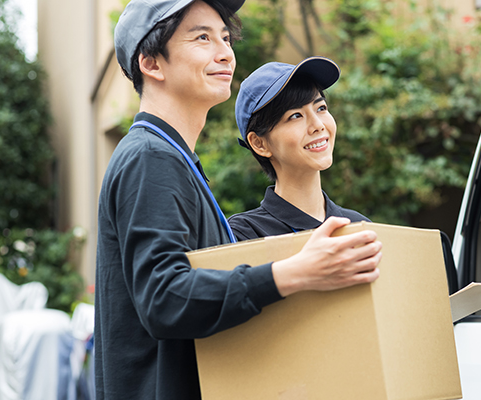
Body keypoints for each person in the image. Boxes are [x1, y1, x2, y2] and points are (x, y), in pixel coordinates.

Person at [96, 1, 382, 399]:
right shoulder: (150, 157)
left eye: (225, 37)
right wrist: (296, 272)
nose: (225, 52)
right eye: (202, 37)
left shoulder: (172, 159)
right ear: (152, 64)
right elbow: (163, 298)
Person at [228, 57, 369, 239]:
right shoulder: (244, 234)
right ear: (259, 143)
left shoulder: (359, 227)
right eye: (295, 115)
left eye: (321, 108)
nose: (318, 125)